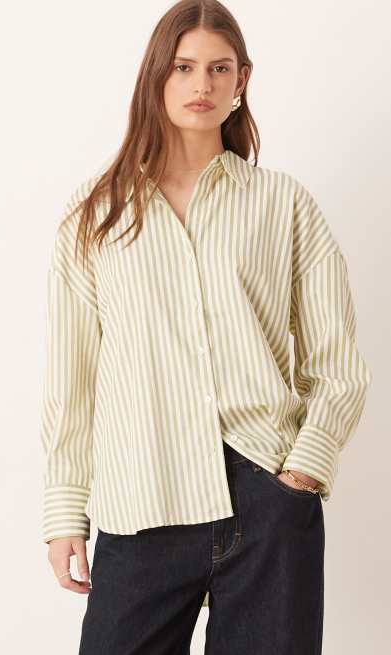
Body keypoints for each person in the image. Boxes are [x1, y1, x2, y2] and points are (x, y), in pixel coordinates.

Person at [39, 1, 372, 653]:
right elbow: (70, 379)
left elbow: (337, 364)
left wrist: (301, 474)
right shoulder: (96, 213)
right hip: (144, 498)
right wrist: (63, 510)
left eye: (219, 68)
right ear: (155, 75)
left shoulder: (283, 204)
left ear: (241, 80)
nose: (201, 84)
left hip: (266, 496)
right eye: (183, 67)